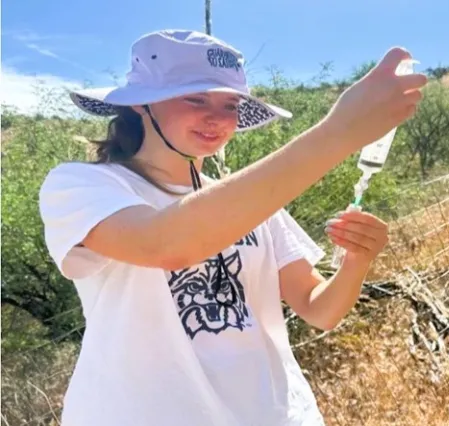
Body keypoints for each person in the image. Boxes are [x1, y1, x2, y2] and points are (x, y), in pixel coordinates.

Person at [38, 29, 426, 426]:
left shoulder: (251, 200)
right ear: (142, 105)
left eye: (231, 104)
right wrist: (338, 133)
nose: (217, 118)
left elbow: (318, 309)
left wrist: (357, 260)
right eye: (195, 98)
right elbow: (165, 244)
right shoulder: (83, 186)